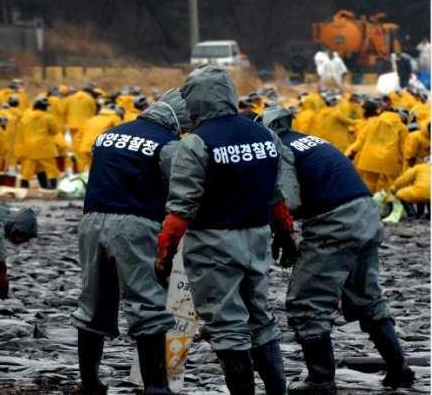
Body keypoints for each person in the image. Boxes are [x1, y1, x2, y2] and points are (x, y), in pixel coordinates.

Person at [154, 66, 293, 395]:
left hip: (214, 244)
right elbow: (276, 195)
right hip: (257, 238)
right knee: (261, 317)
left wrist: (165, 253)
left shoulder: (196, 144)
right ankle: (277, 390)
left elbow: (180, 210)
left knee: (226, 324)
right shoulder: (265, 135)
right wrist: (285, 233)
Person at [262, 107, 415, 392]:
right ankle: (399, 369)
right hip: (365, 215)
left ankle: (321, 380)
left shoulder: (279, 148)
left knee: (306, 302)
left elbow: (289, 199)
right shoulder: (309, 140)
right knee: (367, 296)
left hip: (334, 224)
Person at [72, 90, 191, 394]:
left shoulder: (108, 135)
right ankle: (156, 386)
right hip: (136, 225)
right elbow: (179, 189)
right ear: (177, 119)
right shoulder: (168, 144)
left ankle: (89, 383)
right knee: (147, 302)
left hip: (91, 222)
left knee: (92, 303)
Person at [345, 103, 408, 192]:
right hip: (389, 159)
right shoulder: (402, 127)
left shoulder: (372, 122)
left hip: (369, 158)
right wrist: (405, 163)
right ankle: (388, 203)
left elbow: (360, 140)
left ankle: (370, 202)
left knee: (369, 183)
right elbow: (404, 147)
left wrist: (352, 153)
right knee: (391, 184)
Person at [15, 98, 61, 189]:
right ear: (44, 107)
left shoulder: (25, 118)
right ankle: (52, 186)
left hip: (28, 146)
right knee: (50, 166)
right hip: (44, 146)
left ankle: (24, 185)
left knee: (28, 167)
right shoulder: (48, 117)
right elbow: (54, 131)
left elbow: (20, 134)